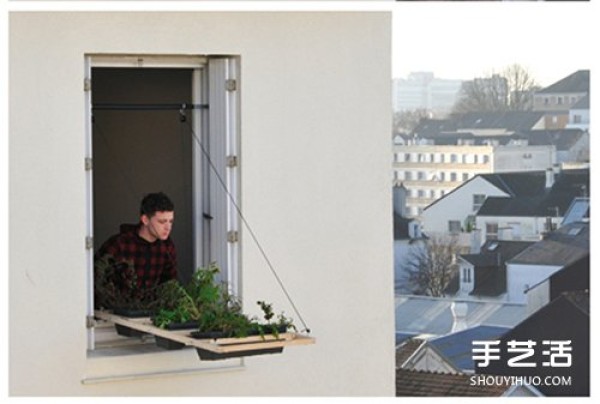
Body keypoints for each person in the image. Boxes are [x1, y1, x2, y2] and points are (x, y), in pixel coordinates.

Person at [95, 192, 177, 292]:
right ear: (145, 220)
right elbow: (95, 276)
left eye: (171, 221)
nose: (168, 227)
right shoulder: (120, 244)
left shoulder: (167, 246)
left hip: (151, 305)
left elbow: (170, 283)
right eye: (162, 222)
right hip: (117, 304)